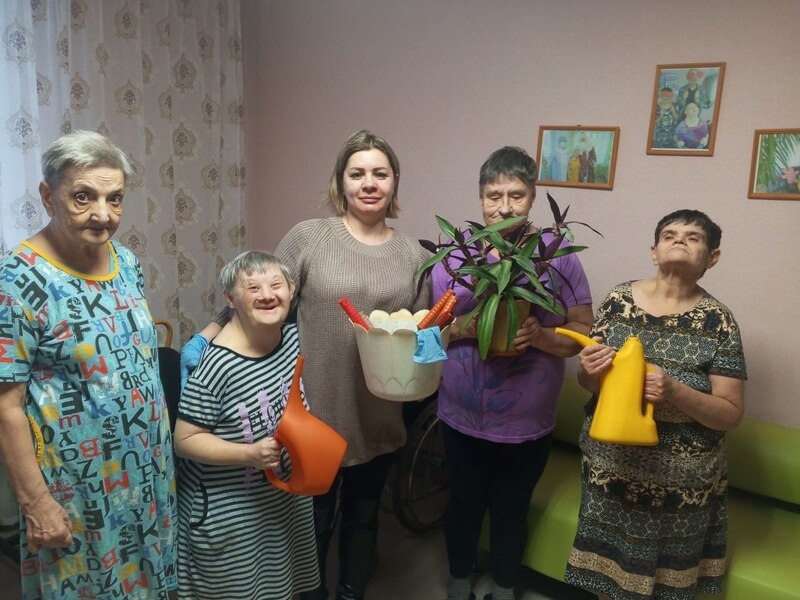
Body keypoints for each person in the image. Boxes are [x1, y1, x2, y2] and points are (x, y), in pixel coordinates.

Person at [181, 130, 432, 600]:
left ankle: (351, 592)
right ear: (341, 182)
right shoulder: (309, 237)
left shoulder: (414, 257)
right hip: (309, 415)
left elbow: (424, 332)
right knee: (310, 522)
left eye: (380, 173)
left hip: (377, 414)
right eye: (357, 173)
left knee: (363, 518)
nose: (369, 183)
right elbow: (262, 293)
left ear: (395, 181)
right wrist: (208, 333)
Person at [0, 130, 177, 598]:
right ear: (48, 196)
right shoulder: (15, 279)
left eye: (114, 198)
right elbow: (5, 407)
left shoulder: (126, 261)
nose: (103, 214)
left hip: (146, 473)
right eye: (83, 197)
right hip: (76, 490)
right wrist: (36, 503)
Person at [433, 146, 593, 600]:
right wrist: (463, 329)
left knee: (511, 509)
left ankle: (504, 586)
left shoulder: (556, 256)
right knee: (462, 503)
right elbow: (427, 333)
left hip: (526, 420)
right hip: (460, 414)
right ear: (480, 198)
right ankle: (459, 580)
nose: (504, 207)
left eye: (516, 196)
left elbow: (584, 330)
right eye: (493, 196)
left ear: (533, 197)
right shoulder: (456, 255)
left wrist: (540, 337)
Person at [564, 209, 747, 600]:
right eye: (669, 234)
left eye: (693, 237)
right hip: (610, 473)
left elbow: (731, 413)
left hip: (681, 490)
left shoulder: (719, 322)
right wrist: (589, 371)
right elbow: (589, 384)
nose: (679, 240)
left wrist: (675, 391)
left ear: (713, 257)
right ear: (653, 251)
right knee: (605, 579)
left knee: (667, 587)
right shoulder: (617, 300)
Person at [174, 250, 319, 599]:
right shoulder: (216, 366)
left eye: (276, 285)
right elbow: (184, 440)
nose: (267, 295)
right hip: (229, 514)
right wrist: (249, 454)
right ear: (231, 299)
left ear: (292, 290)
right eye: (252, 288)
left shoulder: (293, 339)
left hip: (281, 502)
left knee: (277, 586)